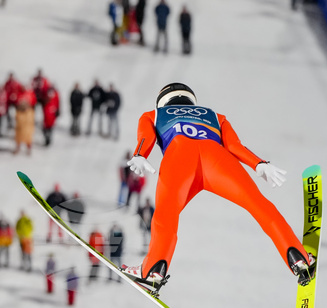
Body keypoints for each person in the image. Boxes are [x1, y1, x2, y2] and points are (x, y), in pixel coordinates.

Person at [120, 83, 314, 288]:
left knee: (166, 215)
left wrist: (140, 154)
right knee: (259, 205)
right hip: (217, 160)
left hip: (179, 158)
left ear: (162, 100)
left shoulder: (154, 114)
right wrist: (259, 163)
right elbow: (233, 146)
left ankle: (153, 268)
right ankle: (298, 256)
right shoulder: (215, 115)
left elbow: (145, 136)